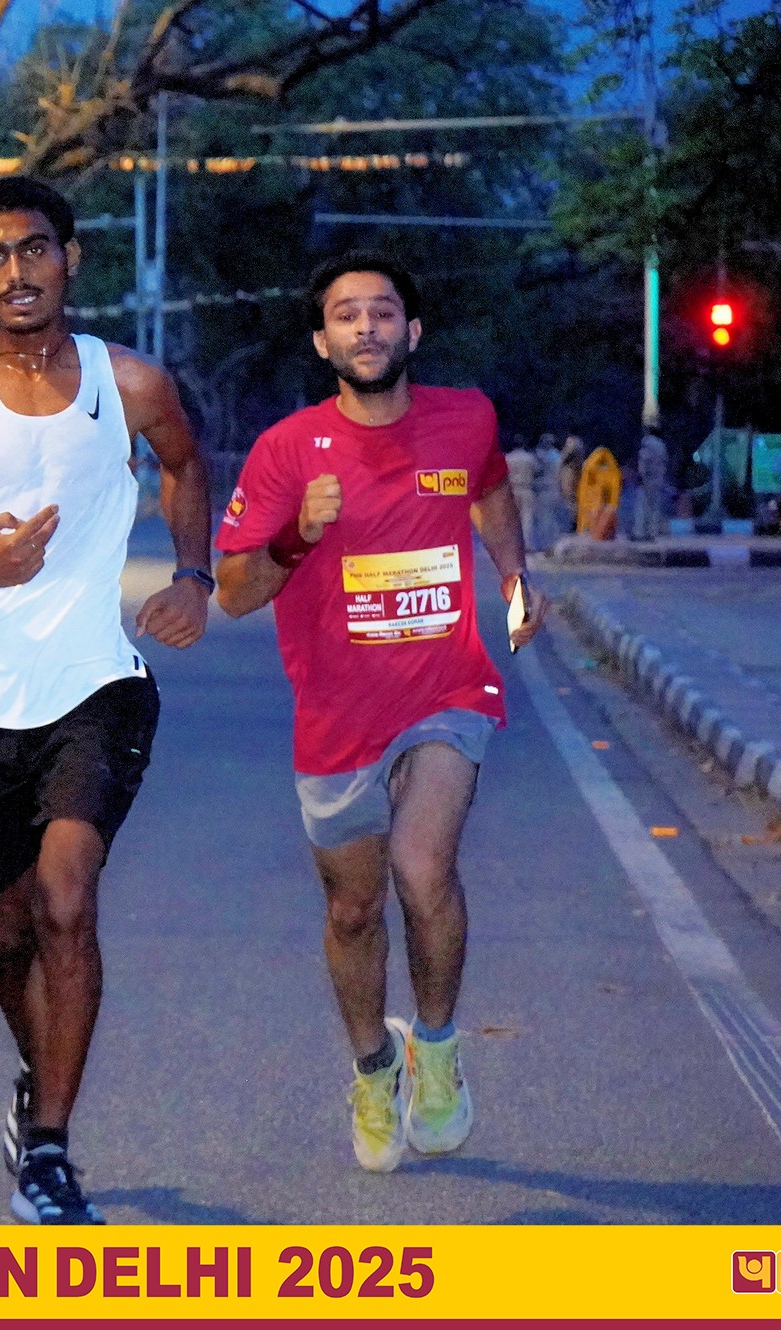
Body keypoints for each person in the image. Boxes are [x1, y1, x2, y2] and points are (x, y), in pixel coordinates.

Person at [0, 176, 213, 1224]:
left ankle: (49, 1152)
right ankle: (38, 1076)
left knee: (65, 901)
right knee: (6, 927)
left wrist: (191, 576)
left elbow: (186, 468)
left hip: (93, 683)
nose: (17, 271)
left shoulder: (129, 384)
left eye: (34, 249)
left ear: (70, 258)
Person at [214, 252, 548, 1175]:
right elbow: (234, 593)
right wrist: (298, 534)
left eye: (384, 311)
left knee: (422, 866)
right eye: (346, 315)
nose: (367, 327)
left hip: (446, 688)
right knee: (354, 909)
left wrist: (515, 575)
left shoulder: (465, 417)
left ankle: (435, 1050)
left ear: (414, 331)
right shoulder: (287, 452)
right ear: (322, 342)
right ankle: (374, 1068)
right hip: (337, 715)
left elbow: (489, 488)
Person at [634, 427, 669, 541]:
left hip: (648, 478)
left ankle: (640, 532)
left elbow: (644, 459)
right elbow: (665, 461)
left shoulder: (647, 443)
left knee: (643, 505)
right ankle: (653, 532)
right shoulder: (662, 445)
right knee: (655, 506)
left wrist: (641, 474)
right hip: (659, 478)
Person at [504, 436, 537, 552]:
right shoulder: (529, 458)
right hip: (526, 489)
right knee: (527, 518)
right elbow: (537, 471)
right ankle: (526, 544)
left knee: (512, 519)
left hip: (512, 490)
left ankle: (512, 545)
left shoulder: (508, 458)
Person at [531, 433, 562, 551]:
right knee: (548, 518)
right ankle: (550, 544)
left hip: (545, 489)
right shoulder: (556, 456)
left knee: (546, 518)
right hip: (550, 489)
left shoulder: (540, 455)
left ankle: (547, 544)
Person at [558, 432, 586, 537]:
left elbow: (564, 457)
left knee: (570, 498)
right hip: (577, 471)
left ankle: (576, 524)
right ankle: (577, 523)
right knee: (574, 498)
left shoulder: (572, 442)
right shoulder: (580, 442)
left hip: (570, 472)